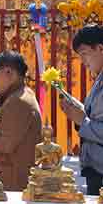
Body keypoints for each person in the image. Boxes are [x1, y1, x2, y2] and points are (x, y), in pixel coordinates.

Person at [0, 50, 42, 191]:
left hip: (12, 182)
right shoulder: (18, 95)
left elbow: (4, 144)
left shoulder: (18, 101)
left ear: (9, 72)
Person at [60, 25, 103, 195]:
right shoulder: (98, 79)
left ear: (100, 48)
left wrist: (81, 121)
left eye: (85, 54)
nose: (83, 61)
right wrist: (77, 109)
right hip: (95, 168)